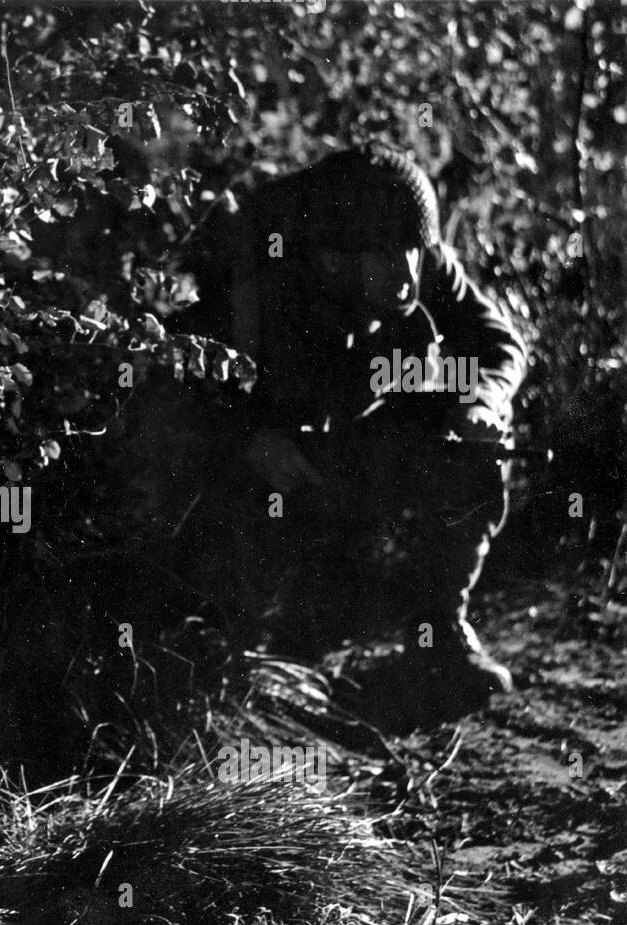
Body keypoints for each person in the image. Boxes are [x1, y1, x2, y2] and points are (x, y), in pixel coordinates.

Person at [176, 142, 527, 715]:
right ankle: (232, 652)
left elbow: (499, 345)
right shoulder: (262, 275)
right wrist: (247, 436)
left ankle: (438, 632)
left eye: (417, 250)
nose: (409, 270)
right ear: (332, 259)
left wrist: (481, 402)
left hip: (354, 435)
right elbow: (180, 372)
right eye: (389, 255)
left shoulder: (422, 260)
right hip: (270, 460)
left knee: (474, 444)